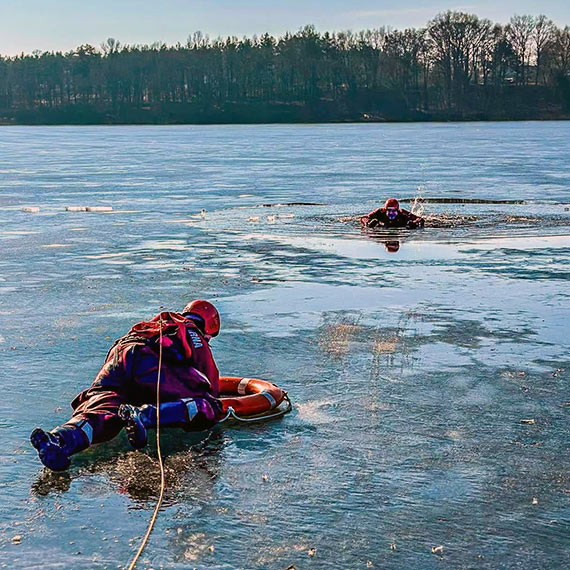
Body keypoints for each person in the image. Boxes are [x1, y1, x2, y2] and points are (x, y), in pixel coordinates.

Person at [30, 300, 224, 471]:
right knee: (209, 406)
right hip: (149, 360)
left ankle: (60, 439)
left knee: (104, 404)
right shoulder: (192, 332)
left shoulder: (156, 325)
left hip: (119, 355)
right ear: (208, 328)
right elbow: (212, 389)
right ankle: (144, 416)